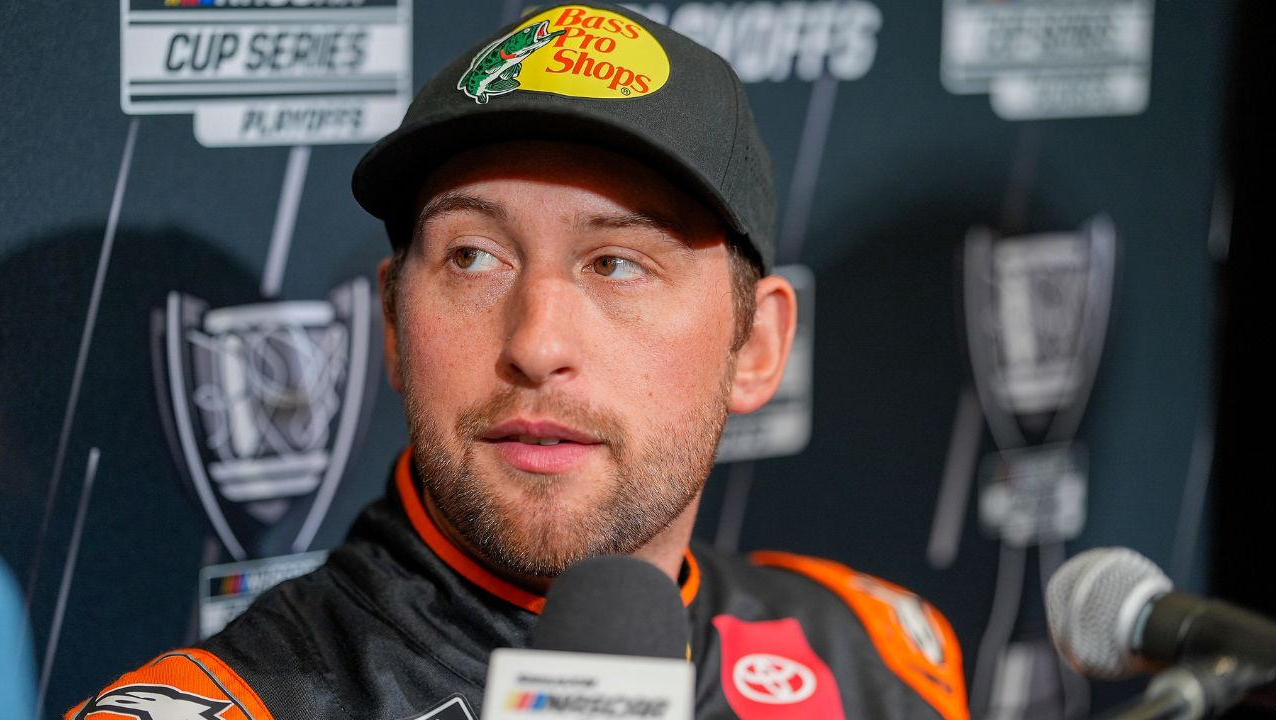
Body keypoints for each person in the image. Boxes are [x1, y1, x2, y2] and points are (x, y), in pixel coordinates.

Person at [69, 4, 968, 719]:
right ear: (391, 322)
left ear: (758, 344)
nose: (536, 345)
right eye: (473, 258)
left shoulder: (879, 660)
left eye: (617, 263)